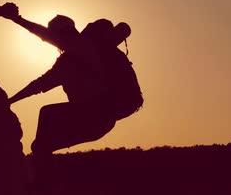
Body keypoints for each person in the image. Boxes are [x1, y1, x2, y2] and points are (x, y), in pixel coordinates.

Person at [9, 15, 143, 155]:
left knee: (46, 117)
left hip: (92, 116)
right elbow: (39, 85)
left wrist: (16, 18)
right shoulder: (83, 52)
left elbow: (38, 85)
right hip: (102, 121)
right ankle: (48, 173)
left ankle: (43, 174)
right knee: (41, 146)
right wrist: (11, 100)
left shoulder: (80, 49)